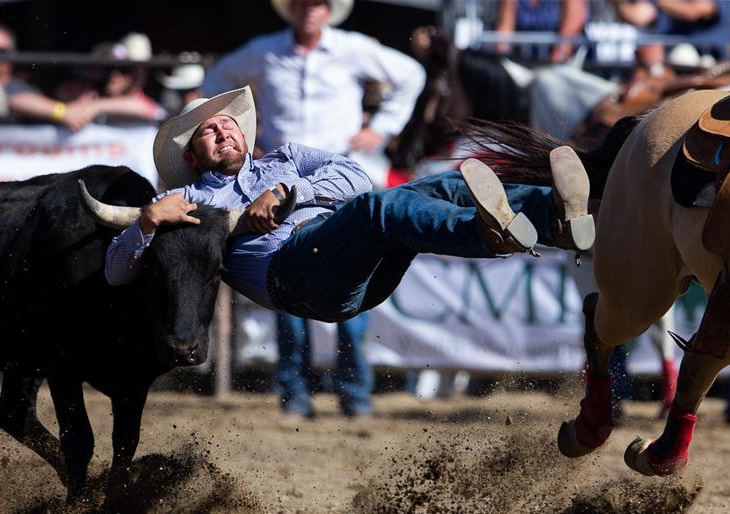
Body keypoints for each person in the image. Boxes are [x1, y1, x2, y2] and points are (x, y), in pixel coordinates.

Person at [103, 89, 596, 420]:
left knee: (439, 186)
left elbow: (355, 176)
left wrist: (284, 191)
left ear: (245, 134)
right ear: (192, 159)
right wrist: (147, 221)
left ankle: (555, 217)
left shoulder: (287, 158)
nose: (223, 132)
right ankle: (492, 236)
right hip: (295, 274)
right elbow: (116, 269)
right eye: (207, 133)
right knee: (380, 209)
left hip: (344, 268)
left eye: (227, 124)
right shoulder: (193, 204)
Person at [200, 0, 426, 420]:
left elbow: (413, 75)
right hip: (282, 183)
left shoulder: (350, 48)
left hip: (333, 177)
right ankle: (300, 395)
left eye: (317, 3)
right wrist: (254, 153)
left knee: (344, 286)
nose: (309, 9)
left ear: (327, 11)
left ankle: (350, 395)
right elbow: (212, 82)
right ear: (291, 9)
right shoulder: (265, 51)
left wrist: (381, 128)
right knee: (291, 288)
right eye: (302, 2)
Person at [494, 0, 589, 62]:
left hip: (561, 61)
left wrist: (553, 65)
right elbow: (505, 28)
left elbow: (571, 28)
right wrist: (504, 61)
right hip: (523, 60)